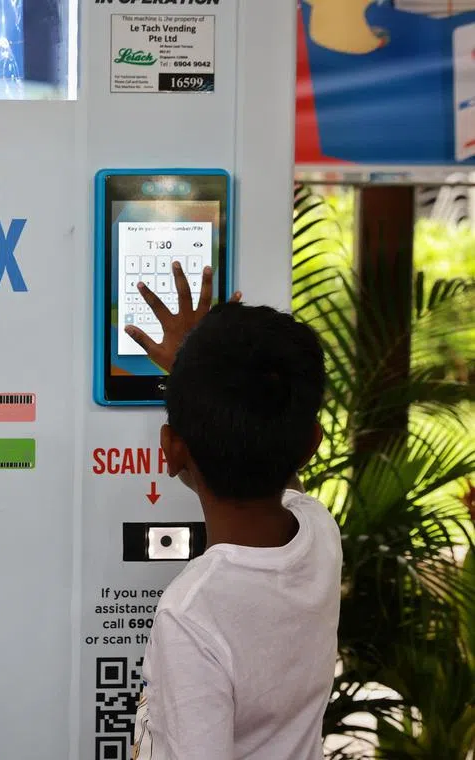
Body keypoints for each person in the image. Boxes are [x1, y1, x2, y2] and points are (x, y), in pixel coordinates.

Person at [123, 263, 342, 760]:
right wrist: (199, 376)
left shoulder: (192, 613)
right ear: (311, 445)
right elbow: (286, 474)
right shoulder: (318, 534)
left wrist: (191, 372)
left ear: (170, 450)